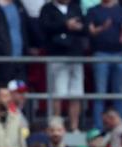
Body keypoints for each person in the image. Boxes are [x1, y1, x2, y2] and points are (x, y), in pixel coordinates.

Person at [40, 0, 86, 133]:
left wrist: (79, 27)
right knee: (58, 93)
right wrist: (65, 25)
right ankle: (57, 126)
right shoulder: (47, 9)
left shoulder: (75, 7)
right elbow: (45, 27)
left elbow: (85, 25)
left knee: (76, 93)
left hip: (76, 54)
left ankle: (74, 126)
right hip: (57, 54)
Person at [87, 0, 122, 130]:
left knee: (119, 92)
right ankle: (98, 127)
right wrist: (103, 28)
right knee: (100, 92)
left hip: (119, 54)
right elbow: (91, 32)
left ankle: (120, 127)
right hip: (100, 54)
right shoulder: (93, 11)